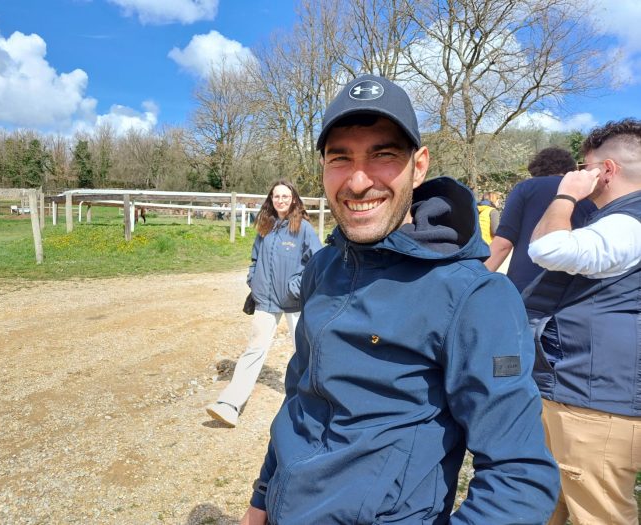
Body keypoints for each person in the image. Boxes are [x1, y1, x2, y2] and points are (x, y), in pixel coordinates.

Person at [241, 74, 558, 525]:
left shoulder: (475, 295)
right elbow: (300, 397)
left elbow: (519, 473)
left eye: (383, 155)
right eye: (340, 158)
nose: (357, 180)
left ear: (420, 164)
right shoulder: (322, 268)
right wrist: (263, 494)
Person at [523, 119, 641, 525]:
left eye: (584, 167)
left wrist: (565, 195)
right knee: (548, 502)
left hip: (596, 404)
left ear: (605, 170)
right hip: (581, 393)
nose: (578, 174)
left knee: (601, 515)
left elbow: (548, 247)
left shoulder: (630, 222)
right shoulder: (621, 219)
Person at [206, 180, 322, 428]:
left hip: (294, 302)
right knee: (253, 351)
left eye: (285, 196)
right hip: (266, 301)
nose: (281, 200)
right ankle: (229, 405)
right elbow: (254, 258)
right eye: (276, 196)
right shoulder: (265, 227)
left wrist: (297, 286)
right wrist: (253, 279)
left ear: (293, 199)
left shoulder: (303, 228)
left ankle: (316, 403)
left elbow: (317, 262)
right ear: (271, 199)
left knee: (305, 351)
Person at [484, 147, 595, 291]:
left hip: (526, 284)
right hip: (574, 289)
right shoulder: (589, 194)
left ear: (537, 168)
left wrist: (474, 283)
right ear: (570, 168)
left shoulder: (525, 188)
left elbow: (503, 243)